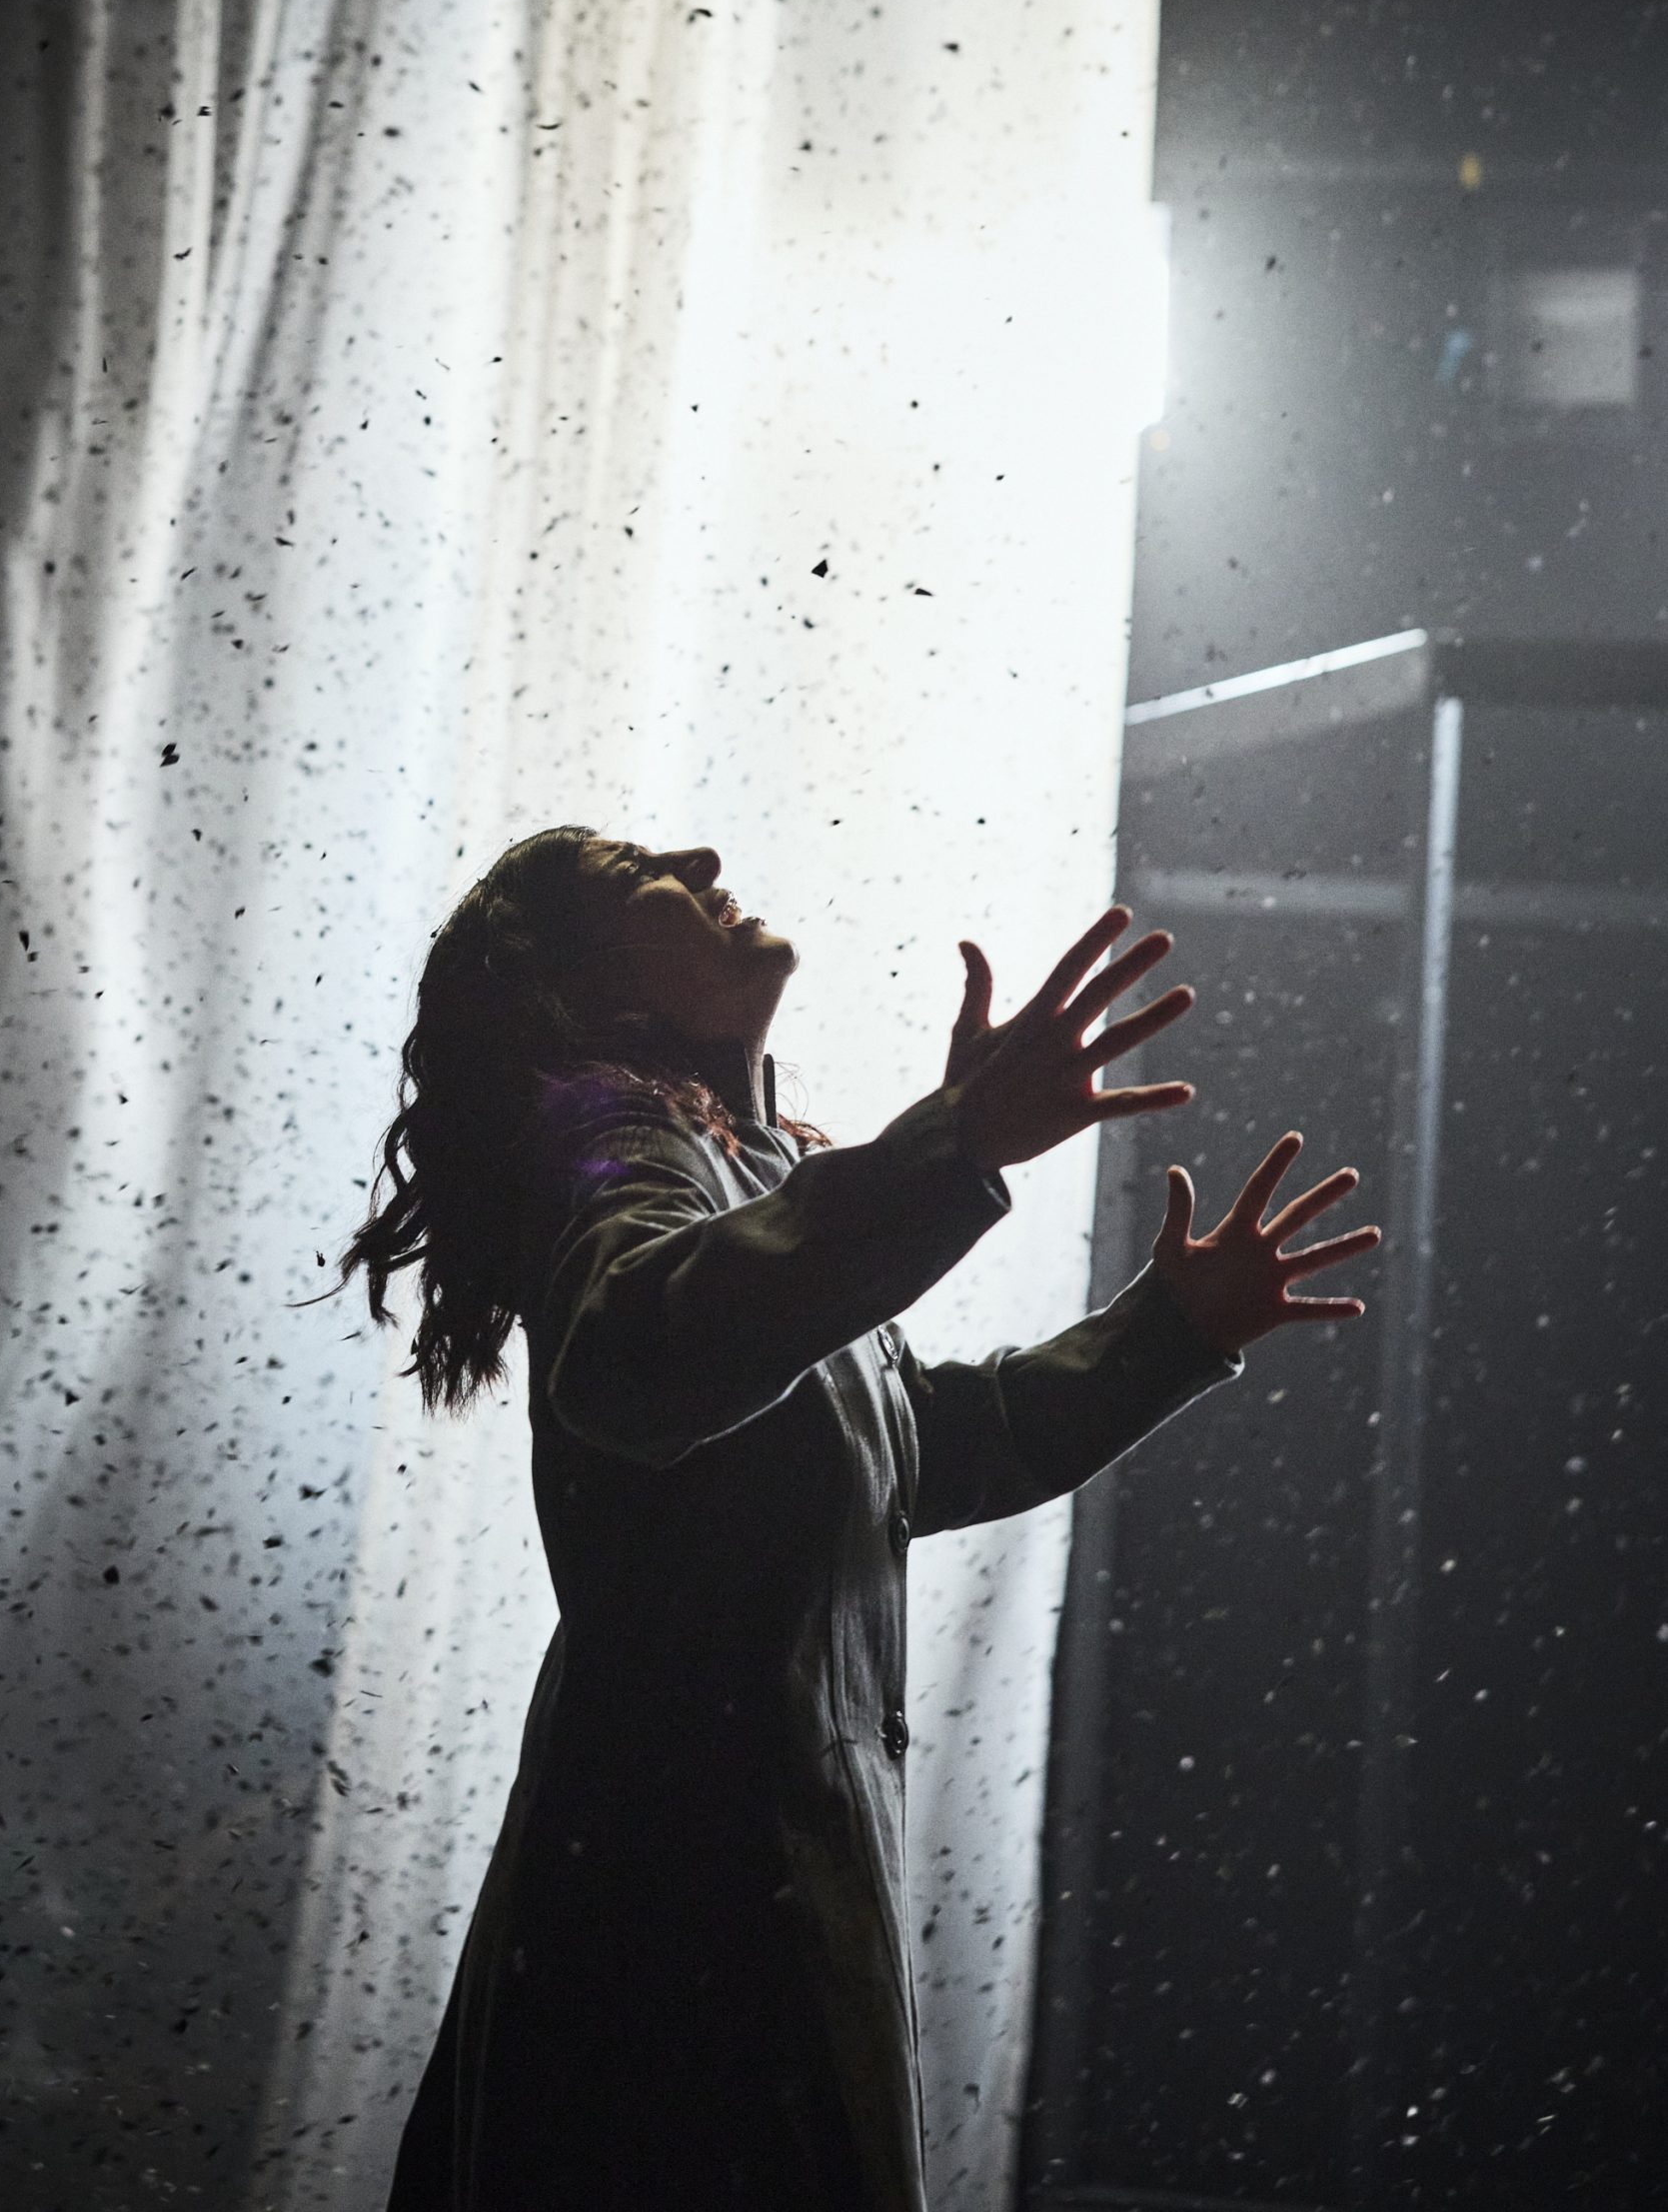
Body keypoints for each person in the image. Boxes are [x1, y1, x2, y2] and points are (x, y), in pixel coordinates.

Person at [340, 827, 1378, 2211]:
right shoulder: (610, 1138)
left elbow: (916, 1450)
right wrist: (958, 1143)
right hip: (676, 1948)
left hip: (725, 1920)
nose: (702, 854)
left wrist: (1168, 1332)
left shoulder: (751, 1177)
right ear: (590, 988)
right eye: (637, 872)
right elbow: (632, 1351)